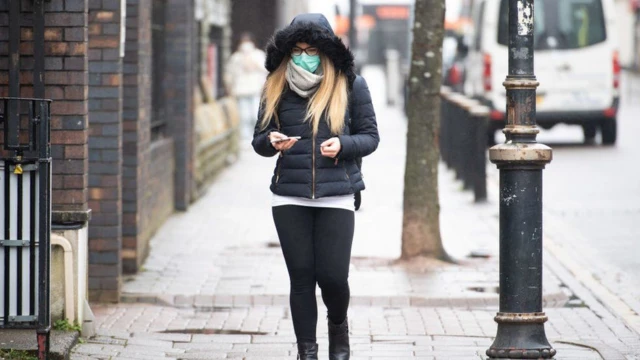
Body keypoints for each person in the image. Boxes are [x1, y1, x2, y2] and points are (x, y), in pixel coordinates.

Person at [252, 14, 379, 360]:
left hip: (336, 194)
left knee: (334, 278)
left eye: (310, 49)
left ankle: (339, 329)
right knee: (302, 278)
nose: (303, 55)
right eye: (297, 49)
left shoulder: (351, 85)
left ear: (325, 51)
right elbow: (258, 140)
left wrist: (343, 145)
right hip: (289, 196)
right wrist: (272, 141)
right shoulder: (275, 85)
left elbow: (370, 137)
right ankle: (306, 351)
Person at [225, 33, 268, 139]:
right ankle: (245, 138)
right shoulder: (236, 57)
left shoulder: (258, 55)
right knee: (244, 116)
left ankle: (256, 135)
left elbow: (266, 69)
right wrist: (229, 87)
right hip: (241, 90)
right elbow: (230, 74)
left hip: (255, 89)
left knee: (255, 114)